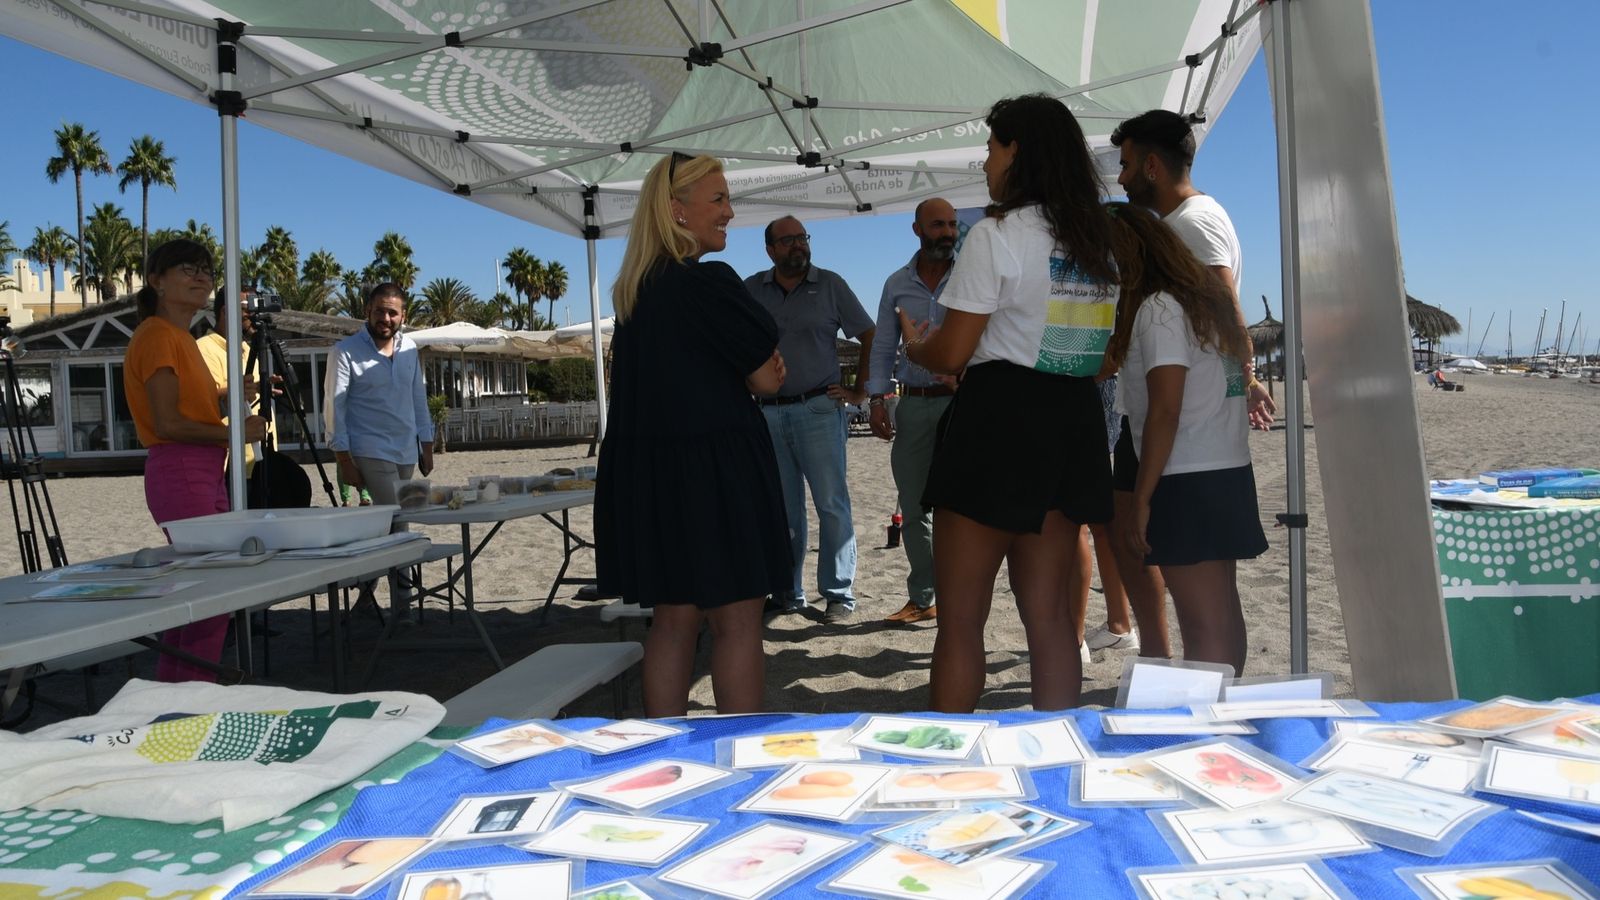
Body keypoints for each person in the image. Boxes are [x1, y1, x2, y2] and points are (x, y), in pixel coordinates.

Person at [903, 94, 1120, 712]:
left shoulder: (997, 234)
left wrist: (919, 350)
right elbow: (1099, 351)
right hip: (1071, 417)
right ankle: (1057, 751)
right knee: (1051, 621)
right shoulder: (1096, 242)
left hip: (999, 419)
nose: (985, 163)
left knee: (962, 623)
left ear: (1017, 150)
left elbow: (952, 354)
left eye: (992, 147)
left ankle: (947, 764)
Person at [595, 151, 791, 717]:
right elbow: (767, 377)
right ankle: (736, 750)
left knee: (673, 623)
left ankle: (663, 749)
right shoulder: (707, 283)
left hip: (651, 479)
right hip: (717, 473)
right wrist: (757, 372)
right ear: (677, 210)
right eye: (719, 199)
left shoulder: (634, 294)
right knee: (736, 623)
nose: (730, 211)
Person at [1108, 108, 1276, 659]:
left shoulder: (1190, 226)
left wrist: (1244, 376)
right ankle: (1201, 697)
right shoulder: (1191, 221)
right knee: (1215, 608)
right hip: (1202, 446)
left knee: (1205, 617)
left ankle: (1211, 720)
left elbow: (1224, 317)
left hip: (1188, 452)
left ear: (1152, 165)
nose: (1122, 177)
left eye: (1128, 164)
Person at [123, 239, 267, 682]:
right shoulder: (160, 336)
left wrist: (229, 396)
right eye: (187, 268)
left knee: (202, 595)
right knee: (211, 596)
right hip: (183, 466)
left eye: (205, 269)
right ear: (156, 281)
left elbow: (184, 409)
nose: (202, 277)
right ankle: (187, 696)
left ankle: (176, 693)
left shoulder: (175, 338)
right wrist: (235, 430)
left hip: (197, 468)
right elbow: (167, 423)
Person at [744, 215, 876, 623]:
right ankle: (787, 593)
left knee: (832, 505)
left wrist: (859, 391)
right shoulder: (751, 290)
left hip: (820, 408)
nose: (798, 245)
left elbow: (869, 334)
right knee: (782, 511)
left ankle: (838, 595)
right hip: (767, 415)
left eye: (802, 237)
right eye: (788, 240)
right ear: (770, 249)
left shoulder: (831, 284)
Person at [866, 197, 959, 625]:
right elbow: (884, 345)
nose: (947, 232)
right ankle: (924, 597)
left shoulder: (972, 276)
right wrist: (878, 398)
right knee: (913, 505)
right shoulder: (895, 283)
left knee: (960, 508)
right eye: (937, 224)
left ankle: (959, 599)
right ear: (917, 229)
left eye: (952, 225)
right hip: (914, 404)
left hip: (965, 406)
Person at [328, 283, 434, 507]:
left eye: (392, 313)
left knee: (396, 518)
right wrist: (344, 460)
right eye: (379, 311)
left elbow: (418, 400)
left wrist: (426, 444)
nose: (385, 318)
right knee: (398, 511)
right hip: (370, 447)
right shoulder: (345, 351)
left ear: (403, 316)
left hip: (406, 450)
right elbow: (334, 407)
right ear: (368, 311)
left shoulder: (409, 348)